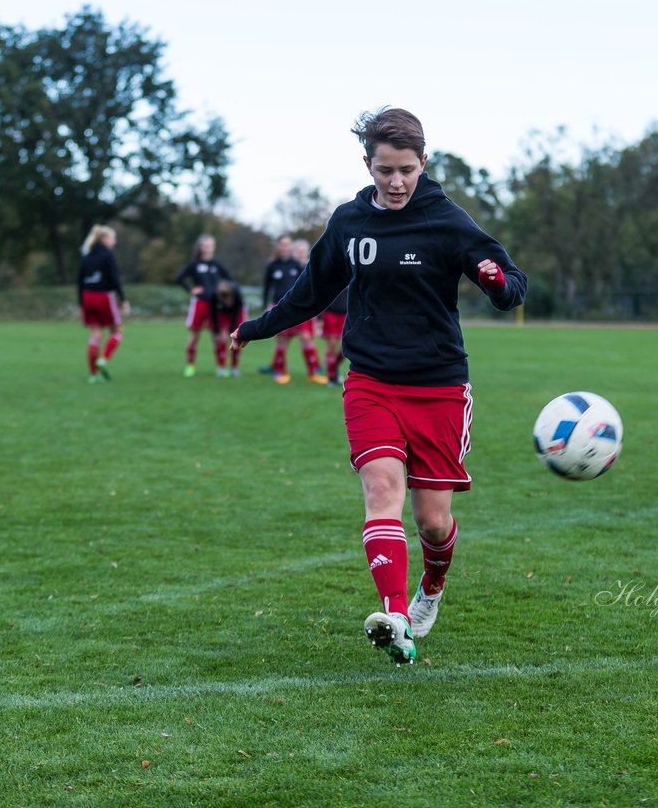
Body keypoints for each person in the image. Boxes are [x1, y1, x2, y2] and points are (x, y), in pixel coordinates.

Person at [231, 107, 525, 666]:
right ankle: (393, 616)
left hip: (439, 386)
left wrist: (495, 283)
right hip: (370, 382)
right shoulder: (348, 222)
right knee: (381, 490)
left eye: (407, 170)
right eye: (385, 170)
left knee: (432, 520)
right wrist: (255, 329)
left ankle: (429, 591)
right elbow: (309, 291)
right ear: (367, 163)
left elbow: (513, 285)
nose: (395, 182)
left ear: (423, 164)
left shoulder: (447, 221)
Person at [259, 235, 324, 384]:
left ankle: (313, 371)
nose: (285, 247)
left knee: (306, 338)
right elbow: (267, 288)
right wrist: (265, 306)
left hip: (297, 307)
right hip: (279, 307)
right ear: (278, 246)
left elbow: (307, 285)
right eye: (282, 244)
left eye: (288, 244)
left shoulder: (297, 265)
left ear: (290, 247)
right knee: (282, 340)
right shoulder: (272, 265)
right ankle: (280, 371)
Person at [174, 234, 232, 378]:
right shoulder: (193, 264)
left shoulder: (217, 265)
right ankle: (190, 366)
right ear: (200, 247)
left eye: (210, 246)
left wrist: (224, 291)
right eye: (205, 246)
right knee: (194, 336)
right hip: (199, 303)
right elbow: (179, 278)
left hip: (215, 305)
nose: (207, 249)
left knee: (217, 336)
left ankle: (221, 367)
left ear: (213, 247)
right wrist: (190, 289)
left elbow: (230, 281)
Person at [77, 224, 130, 383]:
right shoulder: (107, 255)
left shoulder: (86, 256)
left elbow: (79, 282)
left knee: (95, 335)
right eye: (113, 238)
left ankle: (93, 375)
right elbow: (115, 279)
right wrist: (123, 299)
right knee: (117, 331)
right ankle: (104, 360)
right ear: (104, 239)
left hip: (87, 297)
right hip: (104, 296)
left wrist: (80, 304)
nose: (114, 241)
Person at [210, 279, 246, 378]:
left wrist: (231, 330)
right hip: (222, 314)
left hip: (236, 314)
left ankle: (234, 368)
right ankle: (221, 367)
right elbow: (213, 315)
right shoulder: (214, 296)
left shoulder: (236, 295)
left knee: (236, 339)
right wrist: (216, 331)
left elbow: (236, 315)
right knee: (221, 339)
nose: (225, 301)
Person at [320, 285, 348, 386]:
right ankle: (331, 376)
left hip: (345, 314)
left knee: (345, 347)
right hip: (330, 313)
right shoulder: (330, 273)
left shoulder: (351, 272)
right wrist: (319, 318)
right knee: (331, 344)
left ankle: (333, 368)